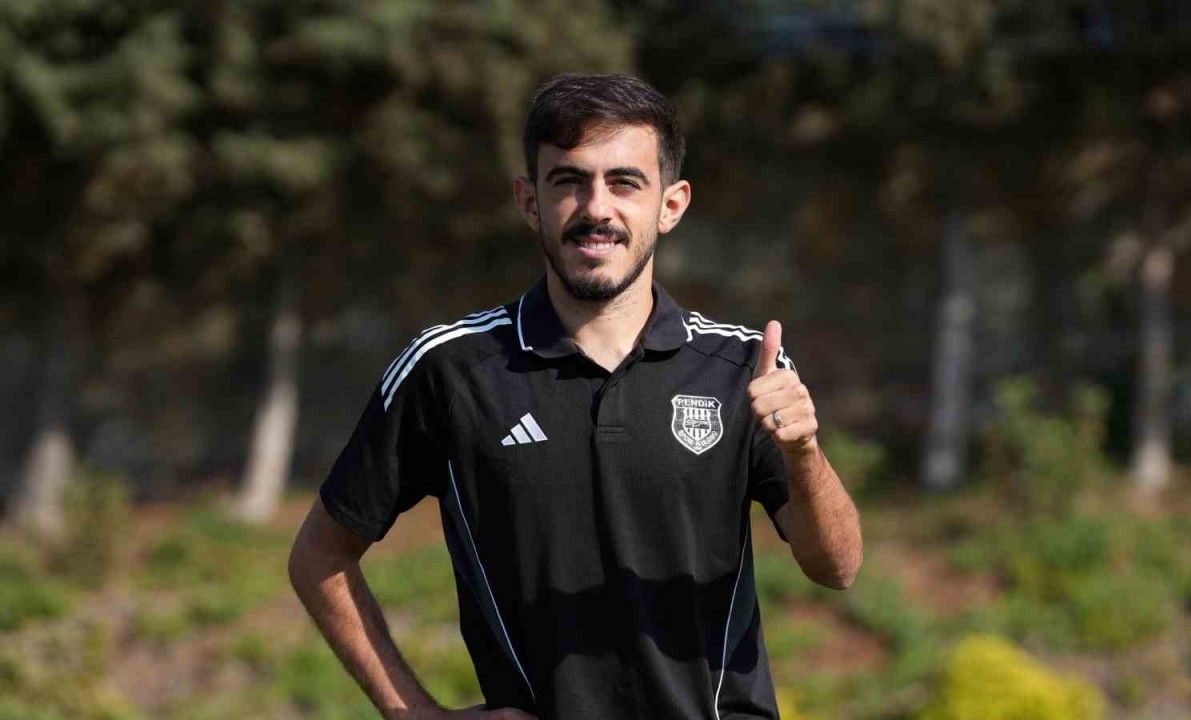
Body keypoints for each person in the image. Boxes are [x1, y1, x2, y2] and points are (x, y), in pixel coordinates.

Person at [287, 72, 862, 720]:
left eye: (625, 183)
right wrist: (417, 714)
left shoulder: (740, 367)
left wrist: (804, 453)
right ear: (529, 201)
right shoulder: (449, 370)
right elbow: (319, 557)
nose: (596, 209)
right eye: (569, 181)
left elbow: (837, 567)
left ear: (671, 205)